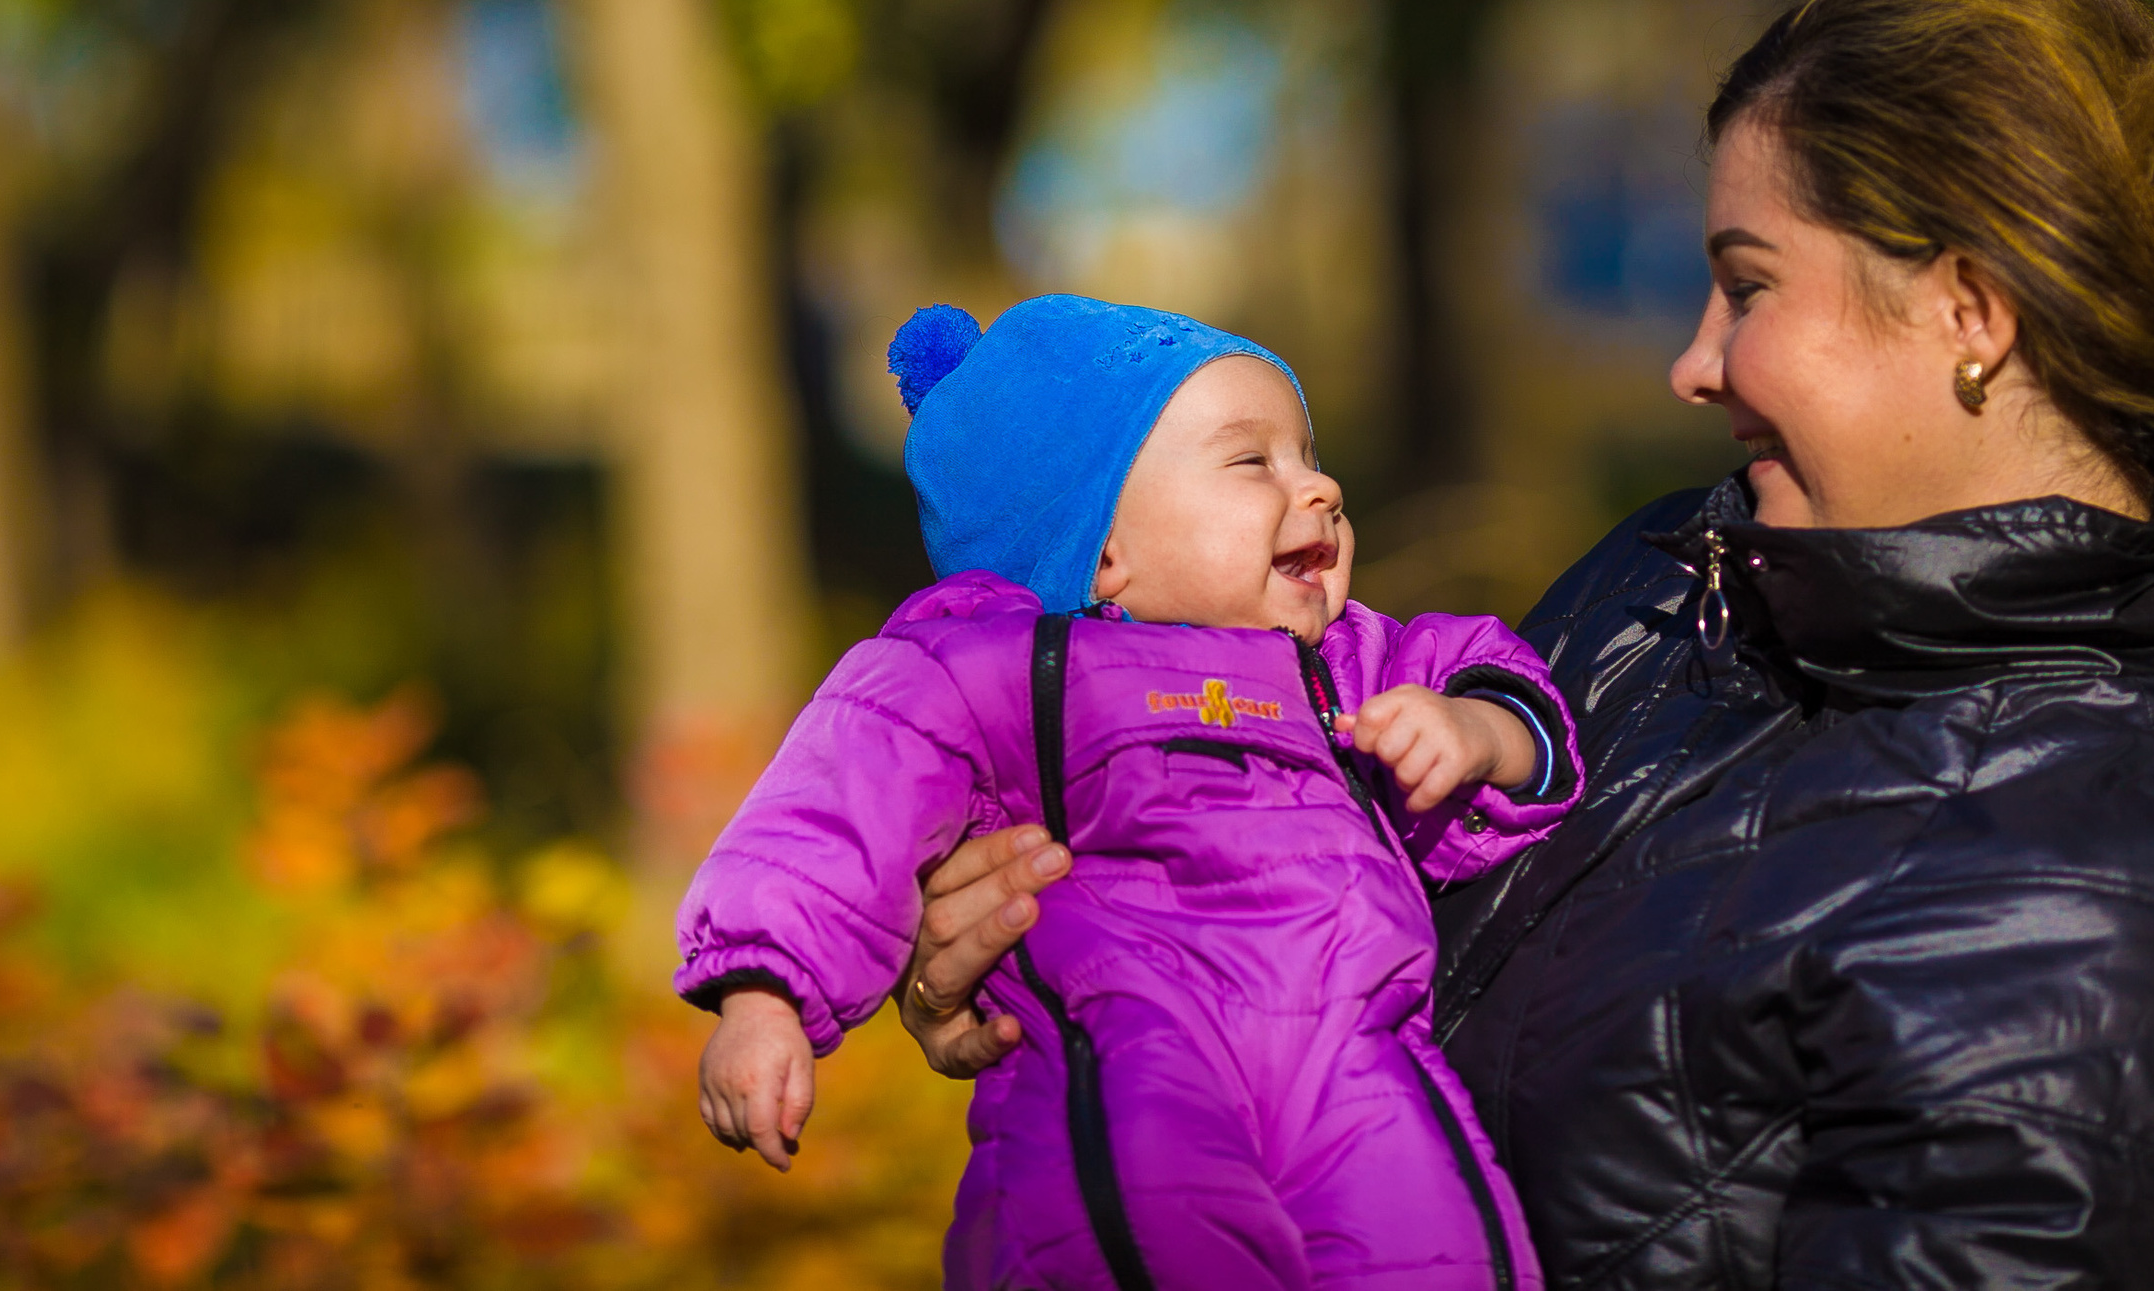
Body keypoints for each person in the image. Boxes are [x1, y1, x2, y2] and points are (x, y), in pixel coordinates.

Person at [896, 0, 2154, 1288]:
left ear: (1970, 313)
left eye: (1749, 284)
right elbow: (1333, 893)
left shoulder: (2092, 928)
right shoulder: (1679, 577)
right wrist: (1074, 943)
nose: (1693, 359)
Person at [675, 294, 1581, 1290]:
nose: (1317, 486)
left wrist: (1477, 735)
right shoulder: (1001, 666)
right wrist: (764, 998)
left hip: (1359, 1057)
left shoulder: (1355, 664)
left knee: (1440, 1253)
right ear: (1099, 545)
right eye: (1253, 462)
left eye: (1310, 454)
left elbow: (1501, 685)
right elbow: (841, 803)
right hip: (1128, 1071)